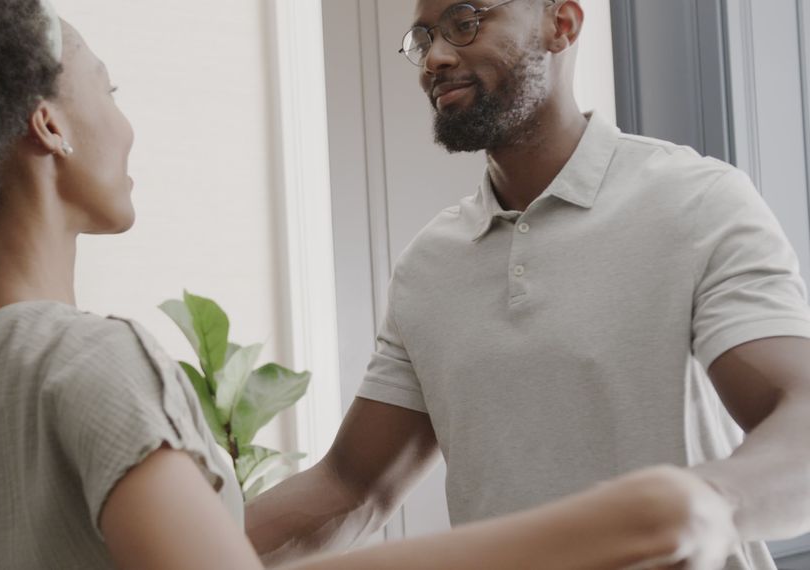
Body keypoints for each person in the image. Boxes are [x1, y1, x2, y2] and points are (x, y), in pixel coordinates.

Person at [0, 0, 740, 568]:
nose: (126, 124)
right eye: (108, 93)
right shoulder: (92, 365)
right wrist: (631, 521)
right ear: (49, 127)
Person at [245, 1, 810, 569]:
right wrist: (173, 545)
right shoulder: (429, 265)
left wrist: (710, 505)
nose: (435, 58)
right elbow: (349, 487)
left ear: (560, 25)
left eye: (464, 22)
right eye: (424, 37)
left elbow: (799, 413)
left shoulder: (698, 201)